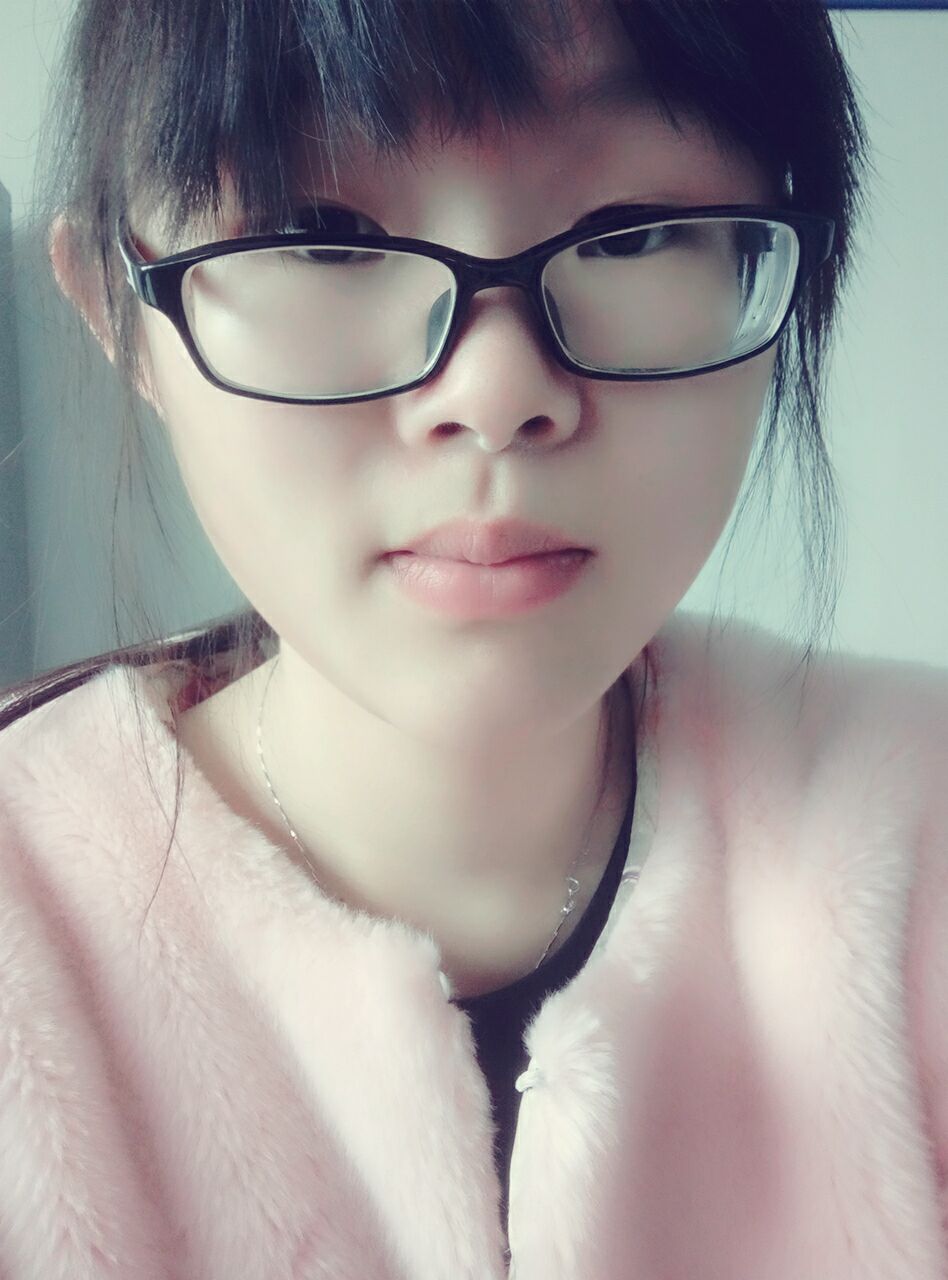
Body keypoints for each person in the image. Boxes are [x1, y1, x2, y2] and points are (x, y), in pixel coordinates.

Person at [1, 0, 946, 1276]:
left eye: (634, 230)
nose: (498, 395)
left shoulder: (917, 829)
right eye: (325, 235)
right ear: (119, 314)